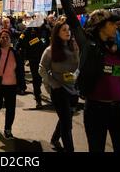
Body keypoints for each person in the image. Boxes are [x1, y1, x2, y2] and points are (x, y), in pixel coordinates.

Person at [57, 0, 120, 152]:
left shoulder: (119, 46)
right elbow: (73, 20)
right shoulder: (88, 45)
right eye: (112, 24)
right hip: (96, 110)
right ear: (100, 27)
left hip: (119, 110)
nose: (116, 27)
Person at [39, 19, 80, 152]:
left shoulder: (75, 47)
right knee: (67, 124)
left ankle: (55, 138)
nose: (67, 32)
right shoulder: (50, 50)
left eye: (68, 29)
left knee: (65, 118)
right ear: (57, 33)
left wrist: (77, 76)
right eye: (64, 30)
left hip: (74, 90)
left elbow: (79, 66)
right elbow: (42, 69)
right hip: (59, 91)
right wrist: (53, 83)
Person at [0, 29, 26, 139]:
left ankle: (8, 129)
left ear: (11, 39)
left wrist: (22, 84)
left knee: (11, 108)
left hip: (12, 85)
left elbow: (20, 69)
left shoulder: (15, 53)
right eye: (2, 37)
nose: (5, 39)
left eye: (7, 37)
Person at [17, 17, 47, 108]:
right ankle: (38, 98)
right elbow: (21, 40)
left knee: (44, 77)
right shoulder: (28, 30)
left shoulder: (46, 29)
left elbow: (48, 40)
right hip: (33, 58)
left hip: (45, 57)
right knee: (36, 78)